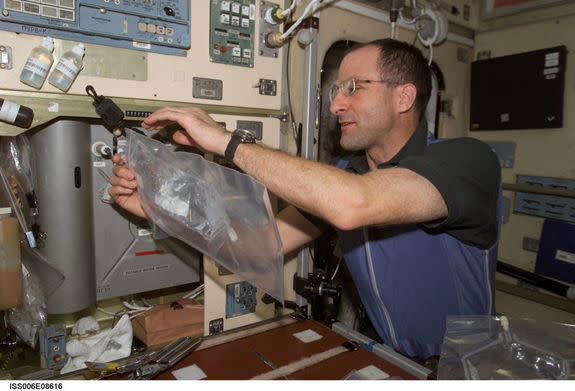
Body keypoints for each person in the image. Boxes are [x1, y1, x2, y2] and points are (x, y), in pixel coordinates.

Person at [109, 39, 501, 360]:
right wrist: (160, 208)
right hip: (390, 357)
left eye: (353, 87)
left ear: (403, 97)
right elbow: (256, 246)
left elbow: (354, 205)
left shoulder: (466, 161)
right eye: (335, 91)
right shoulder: (347, 177)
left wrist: (227, 141)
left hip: (465, 366)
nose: (335, 106)